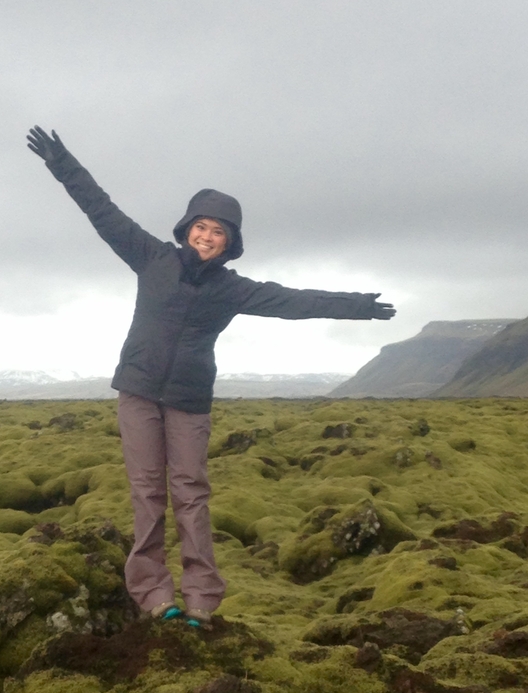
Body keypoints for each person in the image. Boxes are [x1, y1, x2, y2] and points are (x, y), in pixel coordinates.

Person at [26, 126, 395, 627]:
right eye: (201, 225)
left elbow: (295, 301)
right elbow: (101, 208)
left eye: (218, 231)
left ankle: (201, 598)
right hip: (137, 392)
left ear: (229, 243)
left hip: (189, 401)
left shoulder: (232, 289)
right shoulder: (151, 257)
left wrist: (358, 308)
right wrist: (60, 162)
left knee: (192, 493)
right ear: (186, 228)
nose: (206, 236)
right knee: (147, 492)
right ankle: (153, 593)